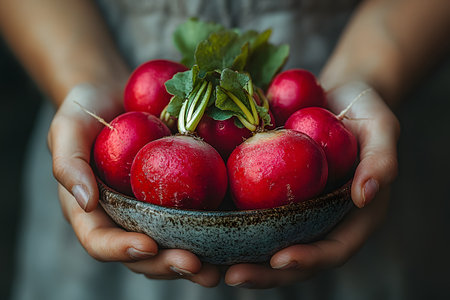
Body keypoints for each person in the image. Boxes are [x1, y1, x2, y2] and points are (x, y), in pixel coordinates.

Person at [1, 0, 449, 298]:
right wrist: (79, 77)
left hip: (374, 215)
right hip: (102, 60)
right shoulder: (156, 134)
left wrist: (373, 74)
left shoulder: (288, 128)